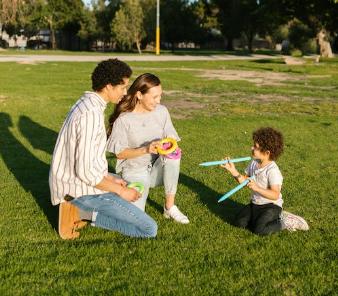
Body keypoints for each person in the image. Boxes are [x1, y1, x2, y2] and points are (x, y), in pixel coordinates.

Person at [49, 59, 157, 240]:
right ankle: (81, 213)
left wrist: (110, 178)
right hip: (80, 191)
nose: (125, 93)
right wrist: (119, 191)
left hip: (74, 181)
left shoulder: (87, 103)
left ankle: (84, 208)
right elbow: (86, 172)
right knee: (149, 228)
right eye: (122, 87)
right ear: (108, 86)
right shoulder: (90, 115)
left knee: (123, 181)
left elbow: (87, 161)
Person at [106, 73, 189, 224]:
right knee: (136, 218)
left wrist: (171, 148)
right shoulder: (124, 120)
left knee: (173, 157)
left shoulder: (161, 111)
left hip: (157, 169)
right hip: (135, 171)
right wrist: (145, 149)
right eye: (154, 97)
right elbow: (119, 153)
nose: (159, 101)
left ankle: (169, 207)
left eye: (160, 96)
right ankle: (113, 183)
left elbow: (171, 138)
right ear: (139, 95)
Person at [222, 127, 309, 235]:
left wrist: (256, 188)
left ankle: (285, 221)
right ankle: (259, 220)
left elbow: (275, 195)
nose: (252, 147)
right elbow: (245, 181)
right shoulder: (254, 163)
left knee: (259, 230)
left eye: (256, 147)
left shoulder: (272, 171)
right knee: (238, 222)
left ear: (267, 152)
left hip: (271, 205)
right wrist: (233, 171)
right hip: (255, 203)